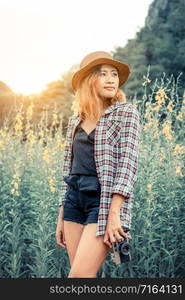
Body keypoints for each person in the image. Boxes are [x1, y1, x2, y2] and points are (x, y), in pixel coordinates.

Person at [55, 51, 141, 278]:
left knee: (79, 277)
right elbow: (68, 169)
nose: (112, 79)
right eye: (103, 74)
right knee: (81, 278)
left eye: (114, 74)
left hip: (102, 203)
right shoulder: (76, 119)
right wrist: (61, 215)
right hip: (74, 200)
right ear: (88, 80)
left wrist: (115, 214)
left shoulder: (125, 113)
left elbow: (128, 164)